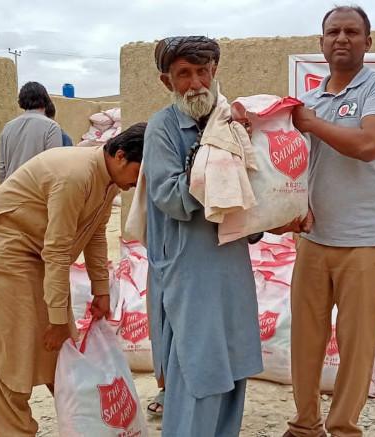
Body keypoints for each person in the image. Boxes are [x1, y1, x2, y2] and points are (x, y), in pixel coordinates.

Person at [0, 124, 146, 436]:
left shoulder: (109, 182)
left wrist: (101, 291)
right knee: (16, 348)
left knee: (57, 343)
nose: (139, 184)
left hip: (36, 252)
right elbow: (59, 251)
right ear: (119, 156)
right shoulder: (76, 177)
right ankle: (15, 429)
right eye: (139, 174)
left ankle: (82, 420)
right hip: (6, 250)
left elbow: (95, 236)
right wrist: (59, 318)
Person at [144, 35, 273, 436]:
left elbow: (254, 190)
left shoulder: (233, 123)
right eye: (185, 74)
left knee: (232, 366)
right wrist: (216, 167)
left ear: (215, 72)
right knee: (197, 367)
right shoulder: (162, 128)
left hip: (231, 263)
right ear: (168, 82)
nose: (196, 82)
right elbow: (169, 196)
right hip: (188, 267)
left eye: (203, 71)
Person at [283, 6, 375, 437]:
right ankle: (304, 426)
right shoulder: (308, 101)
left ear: (368, 42)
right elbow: (292, 167)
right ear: (321, 43)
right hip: (314, 238)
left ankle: (344, 428)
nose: (342, 38)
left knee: (356, 344)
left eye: (352, 31)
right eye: (333, 31)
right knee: (306, 339)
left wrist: (312, 123)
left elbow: (369, 144)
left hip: (366, 238)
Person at [0, 82, 63, 181]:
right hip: (36, 192)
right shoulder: (51, 127)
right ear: (45, 99)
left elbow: (1, 168)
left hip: (10, 189)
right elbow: (54, 166)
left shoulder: (8, 127)